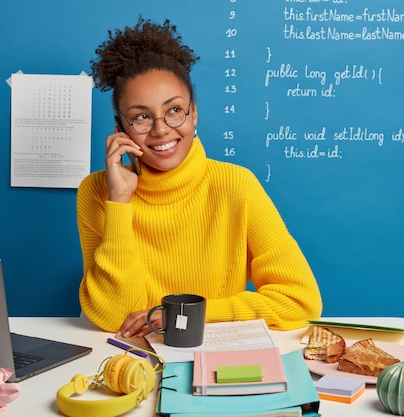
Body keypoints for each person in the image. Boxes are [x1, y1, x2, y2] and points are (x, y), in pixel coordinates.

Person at [77, 17, 322, 339]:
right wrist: (120, 200)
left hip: (215, 353)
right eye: (141, 117)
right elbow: (114, 317)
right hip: (132, 355)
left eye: (174, 110)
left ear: (194, 112)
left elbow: (300, 302)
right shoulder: (97, 192)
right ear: (120, 128)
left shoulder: (236, 185)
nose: (161, 129)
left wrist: (190, 315)